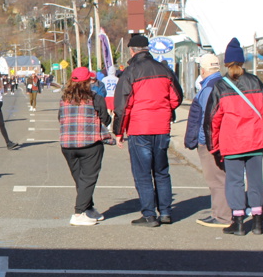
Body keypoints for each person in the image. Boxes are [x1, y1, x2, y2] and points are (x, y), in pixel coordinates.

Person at [204, 38, 263, 236]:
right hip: (256, 140)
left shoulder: (221, 86)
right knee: (255, 180)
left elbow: (212, 120)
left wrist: (214, 145)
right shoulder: (256, 82)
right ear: (242, 61)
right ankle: (258, 221)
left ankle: (238, 222)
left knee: (235, 181)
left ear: (226, 63)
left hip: (232, 142)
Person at [112, 34, 184, 227]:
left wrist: (118, 132)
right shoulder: (164, 69)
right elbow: (177, 97)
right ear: (147, 48)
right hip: (161, 126)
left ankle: (149, 214)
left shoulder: (131, 72)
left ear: (132, 50)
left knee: (143, 174)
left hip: (139, 127)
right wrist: (164, 110)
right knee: (161, 171)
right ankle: (166, 212)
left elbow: (122, 105)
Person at [59, 67, 111, 226]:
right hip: (90, 143)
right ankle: (78, 213)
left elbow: (60, 117)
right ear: (87, 81)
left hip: (68, 144)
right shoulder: (95, 98)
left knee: (80, 179)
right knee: (88, 178)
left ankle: (88, 208)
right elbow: (106, 119)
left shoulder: (64, 99)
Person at [184, 53, 230, 229]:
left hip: (211, 141)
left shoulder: (208, 88)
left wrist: (203, 141)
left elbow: (206, 117)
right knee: (222, 178)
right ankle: (219, 213)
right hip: (223, 138)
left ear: (203, 70)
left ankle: (222, 216)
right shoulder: (224, 83)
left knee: (216, 179)